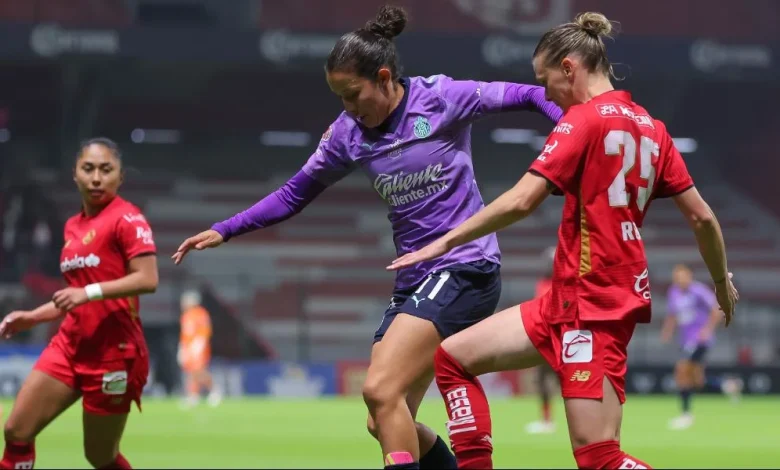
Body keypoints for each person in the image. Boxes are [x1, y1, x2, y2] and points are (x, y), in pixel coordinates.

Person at [171, 5, 561, 469]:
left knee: (379, 389)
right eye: (340, 98)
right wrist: (225, 229)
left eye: (353, 94)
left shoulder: (440, 97)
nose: (349, 108)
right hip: (413, 279)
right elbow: (294, 194)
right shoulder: (347, 135)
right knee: (384, 417)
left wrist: (567, 137)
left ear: (383, 77)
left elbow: (529, 94)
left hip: (464, 266)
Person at [387, 12, 739, 469]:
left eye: (545, 81)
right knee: (452, 360)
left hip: (591, 305)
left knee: (598, 457)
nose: (546, 94)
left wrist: (445, 242)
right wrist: (720, 282)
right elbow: (702, 217)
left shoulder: (583, 121)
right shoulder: (654, 130)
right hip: (571, 301)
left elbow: (522, 201)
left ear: (569, 68)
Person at [0, 138, 158, 469]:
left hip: (114, 353)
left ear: (120, 176)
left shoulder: (128, 219)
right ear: (75, 174)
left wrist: (89, 292)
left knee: (99, 456)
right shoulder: (73, 226)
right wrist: (33, 316)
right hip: (70, 345)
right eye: (88, 169)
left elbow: (147, 279)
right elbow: (73, 294)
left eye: (106, 169)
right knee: (17, 430)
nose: (96, 178)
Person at [660, 264, 742, 430]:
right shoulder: (674, 292)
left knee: (682, 371)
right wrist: (667, 331)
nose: (680, 280)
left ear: (689, 276)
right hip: (685, 340)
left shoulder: (698, 291)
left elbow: (716, 310)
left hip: (698, 340)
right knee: (697, 380)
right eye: (677, 277)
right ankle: (728, 386)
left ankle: (686, 415)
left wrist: (707, 330)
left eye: (682, 276)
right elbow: (672, 315)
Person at [524, 246, 556, 435]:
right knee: (543, 380)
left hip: (562, 339)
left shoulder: (564, 284)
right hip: (545, 338)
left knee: (570, 381)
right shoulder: (543, 282)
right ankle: (546, 420)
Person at [178, 289, 222, 408]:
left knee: (199, 370)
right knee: (191, 372)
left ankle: (214, 390)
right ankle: (193, 394)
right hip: (188, 348)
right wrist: (182, 348)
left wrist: (198, 345)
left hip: (198, 348)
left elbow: (205, 331)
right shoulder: (186, 316)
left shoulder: (201, 313)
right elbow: (185, 335)